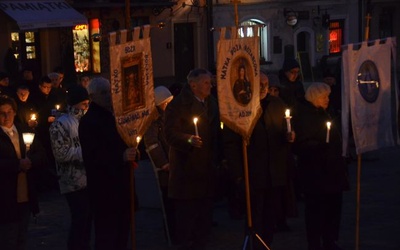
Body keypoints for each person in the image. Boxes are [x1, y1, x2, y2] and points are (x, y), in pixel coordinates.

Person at [164, 68, 220, 249]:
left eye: (210, 81)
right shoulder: (177, 105)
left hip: (207, 171)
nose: (210, 85)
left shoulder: (212, 103)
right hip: (187, 172)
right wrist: (188, 139)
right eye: (205, 82)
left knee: (204, 223)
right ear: (193, 85)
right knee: (186, 223)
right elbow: (170, 133)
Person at [79, 77, 137, 250]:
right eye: (103, 93)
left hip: (122, 185)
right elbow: (93, 155)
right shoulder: (89, 121)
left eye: (110, 91)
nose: (108, 96)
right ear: (92, 96)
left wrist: (133, 150)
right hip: (104, 188)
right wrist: (121, 156)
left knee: (122, 234)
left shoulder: (116, 117)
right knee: (107, 235)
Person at [292, 82, 348, 250]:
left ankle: (330, 240)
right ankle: (315, 243)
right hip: (316, 173)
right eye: (324, 97)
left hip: (333, 171)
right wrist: (319, 146)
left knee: (333, 209)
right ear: (315, 97)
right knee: (316, 211)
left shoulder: (327, 113)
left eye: (328, 96)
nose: (327, 99)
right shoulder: (304, 115)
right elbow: (301, 144)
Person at [0, 94, 47, 250]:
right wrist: (16, 164)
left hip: (25, 195)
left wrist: (30, 161)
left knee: (22, 238)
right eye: (2, 113)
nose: (6, 116)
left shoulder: (23, 130)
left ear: (14, 112)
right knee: (8, 239)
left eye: (9, 112)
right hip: (5, 198)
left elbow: (41, 153)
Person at [49, 86, 91, 250]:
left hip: (87, 178)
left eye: (87, 103)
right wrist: (87, 152)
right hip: (72, 180)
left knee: (88, 218)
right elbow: (61, 153)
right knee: (80, 218)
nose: (86, 107)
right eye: (83, 104)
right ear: (74, 104)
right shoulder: (60, 124)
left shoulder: (86, 121)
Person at [143, 85, 175, 244]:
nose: (169, 105)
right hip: (166, 168)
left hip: (174, 164)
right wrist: (163, 163)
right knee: (169, 202)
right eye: (166, 102)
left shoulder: (169, 117)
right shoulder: (154, 120)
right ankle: (171, 232)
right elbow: (152, 142)